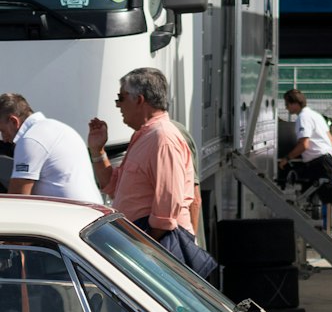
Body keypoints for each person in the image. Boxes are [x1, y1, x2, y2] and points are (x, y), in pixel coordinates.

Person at [86, 67, 216, 279]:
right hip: (148, 245)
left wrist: (145, 246)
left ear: (140, 99)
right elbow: (111, 186)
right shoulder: (145, 135)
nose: (118, 105)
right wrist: (97, 150)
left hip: (156, 249)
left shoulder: (162, 137)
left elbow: (167, 207)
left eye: (121, 97)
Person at [278, 88, 332, 250]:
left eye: (288, 104)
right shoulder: (316, 115)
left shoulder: (303, 118)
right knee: (319, 198)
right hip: (326, 161)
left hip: (321, 163)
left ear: (295, 103)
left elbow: (304, 144)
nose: (287, 108)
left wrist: (286, 159)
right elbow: (331, 139)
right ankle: (327, 233)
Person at [0, 92, 101, 202]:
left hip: (72, 216)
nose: (4, 139)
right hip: (97, 212)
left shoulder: (30, 139)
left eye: (3, 131)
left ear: (13, 121)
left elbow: (17, 200)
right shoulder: (60, 128)